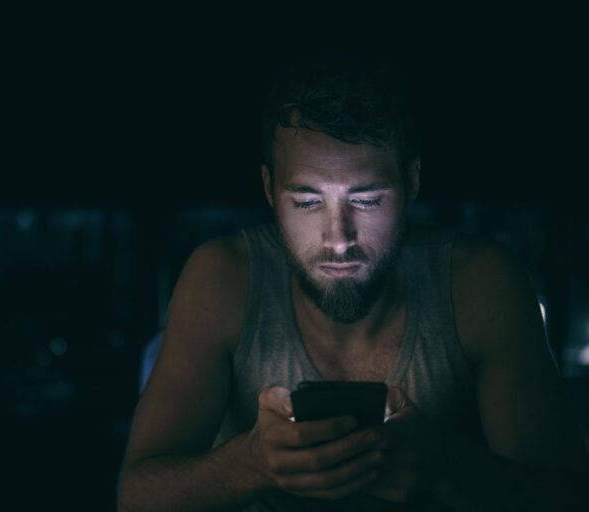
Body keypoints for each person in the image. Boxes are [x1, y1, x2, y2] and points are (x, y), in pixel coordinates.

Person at [116, 54, 588, 511]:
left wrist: (446, 466)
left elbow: (567, 499)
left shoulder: (479, 284)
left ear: (411, 183)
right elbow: (136, 498)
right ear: (268, 190)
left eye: (366, 200)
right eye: (306, 202)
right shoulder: (222, 279)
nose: (338, 240)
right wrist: (253, 462)